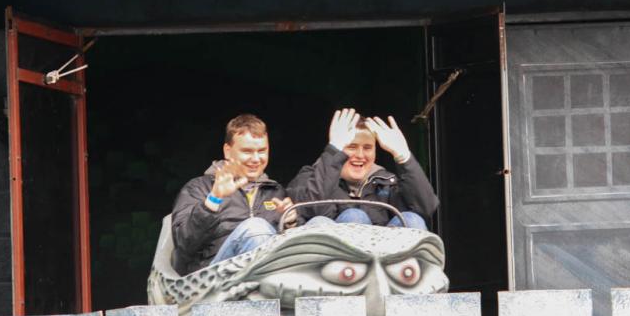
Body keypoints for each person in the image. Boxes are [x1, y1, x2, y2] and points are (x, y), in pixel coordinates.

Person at [170, 114, 296, 276]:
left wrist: (290, 223)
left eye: (262, 151)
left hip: (270, 274)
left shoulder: (275, 191)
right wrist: (213, 199)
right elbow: (183, 244)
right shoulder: (199, 187)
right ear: (228, 151)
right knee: (255, 228)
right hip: (212, 279)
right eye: (247, 151)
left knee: (319, 224)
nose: (256, 159)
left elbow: (289, 251)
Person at [288, 108, 438, 229]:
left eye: (367, 148)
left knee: (412, 220)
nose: (360, 155)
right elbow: (313, 211)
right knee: (355, 217)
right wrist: (333, 153)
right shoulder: (309, 178)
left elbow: (426, 208)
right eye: (351, 147)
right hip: (334, 257)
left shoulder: (386, 182)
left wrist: (404, 157)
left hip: (383, 256)